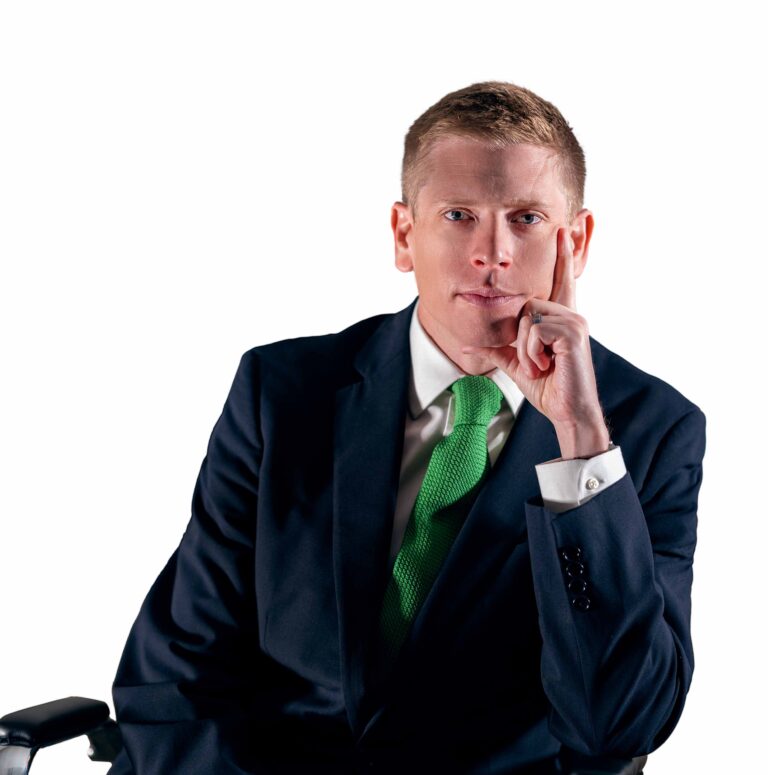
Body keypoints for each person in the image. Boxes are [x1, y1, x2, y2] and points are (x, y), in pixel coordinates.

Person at [107, 81, 706, 774]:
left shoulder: (648, 432)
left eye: (526, 218)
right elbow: (179, 671)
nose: (492, 253)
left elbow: (619, 725)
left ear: (576, 241)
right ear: (403, 234)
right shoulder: (283, 393)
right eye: (459, 215)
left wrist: (580, 443)